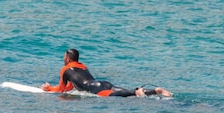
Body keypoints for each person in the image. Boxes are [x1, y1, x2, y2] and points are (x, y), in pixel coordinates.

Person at [41, 49, 173, 97]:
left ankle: (139, 91)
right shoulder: (82, 66)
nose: (63, 59)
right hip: (102, 83)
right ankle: (155, 91)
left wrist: (48, 88)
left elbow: (61, 90)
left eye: (64, 57)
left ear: (68, 59)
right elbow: (72, 85)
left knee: (126, 95)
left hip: (95, 88)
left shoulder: (65, 70)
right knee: (125, 92)